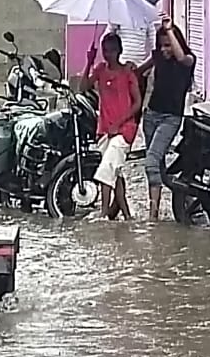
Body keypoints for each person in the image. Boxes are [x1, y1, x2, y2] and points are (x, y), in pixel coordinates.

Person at [137, 16, 195, 220]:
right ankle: (181, 192)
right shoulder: (158, 57)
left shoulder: (187, 60)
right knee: (158, 168)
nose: (164, 50)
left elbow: (181, 57)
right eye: (161, 46)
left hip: (170, 119)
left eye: (168, 45)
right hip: (151, 116)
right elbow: (137, 72)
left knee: (150, 162)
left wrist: (169, 30)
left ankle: (153, 215)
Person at [83, 32, 142, 220]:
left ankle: (103, 214)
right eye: (106, 51)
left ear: (120, 51)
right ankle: (127, 215)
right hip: (104, 130)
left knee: (107, 168)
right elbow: (83, 87)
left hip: (124, 130)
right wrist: (89, 63)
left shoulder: (127, 73)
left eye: (113, 50)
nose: (109, 54)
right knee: (115, 174)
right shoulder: (100, 70)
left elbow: (137, 103)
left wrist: (119, 124)